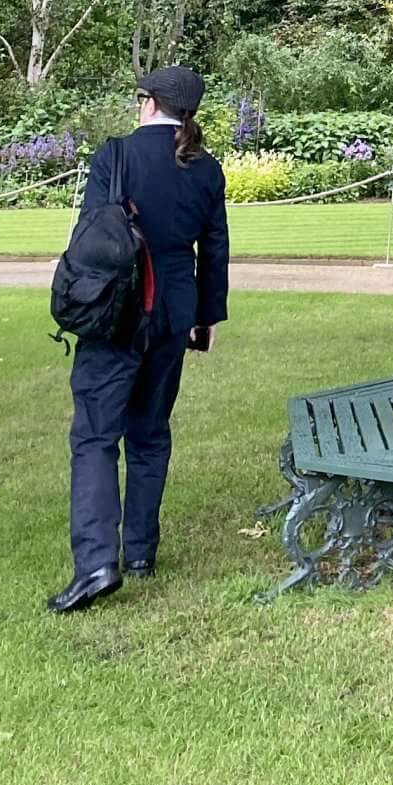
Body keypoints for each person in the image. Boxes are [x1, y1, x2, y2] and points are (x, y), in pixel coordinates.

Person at [51, 64, 229, 613]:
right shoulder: (207, 169)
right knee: (151, 433)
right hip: (174, 314)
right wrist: (206, 317)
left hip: (118, 312)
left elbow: (94, 238)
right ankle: (141, 552)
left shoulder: (115, 156)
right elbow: (215, 249)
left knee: (96, 437)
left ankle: (98, 561)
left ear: (149, 102)